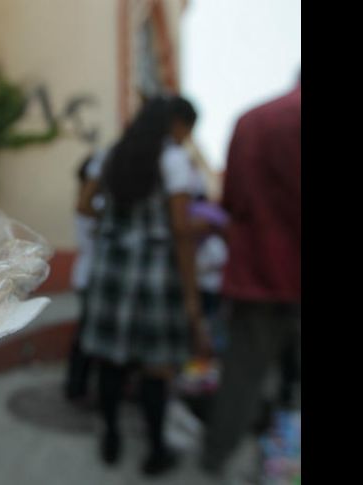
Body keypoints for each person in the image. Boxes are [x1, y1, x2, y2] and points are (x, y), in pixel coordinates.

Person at [78, 95, 214, 476]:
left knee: (110, 359)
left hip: (112, 269)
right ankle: (155, 450)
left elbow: (85, 206)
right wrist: (191, 300)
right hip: (155, 272)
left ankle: (111, 439)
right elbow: (181, 231)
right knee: (157, 367)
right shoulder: (172, 160)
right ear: (178, 124)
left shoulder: (111, 154)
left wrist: (120, 225)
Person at [200, 75, 301, 477]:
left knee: (241, 378)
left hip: (254, 273)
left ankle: (215, 458)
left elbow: (232, 203)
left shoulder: (250, 120)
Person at [64, 149, 107, 403]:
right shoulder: (93, 204)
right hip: (91, 275)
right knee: (86, 336)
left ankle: (77, 385)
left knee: (85, 334)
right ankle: (76, 386)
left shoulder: (85, 200)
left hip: (85, 273)